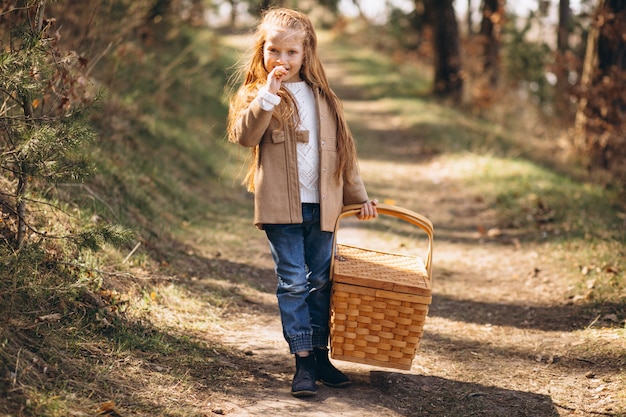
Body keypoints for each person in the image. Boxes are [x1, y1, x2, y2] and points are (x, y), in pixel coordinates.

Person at [226, 7, 378, 398]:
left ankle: (322, 354)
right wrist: (267, 97)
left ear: (306, 53)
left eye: (292, 53)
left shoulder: (323, 98)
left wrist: (359, 198)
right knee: (293, 282)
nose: (283, 60)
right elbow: (244, 136)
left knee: (322, 281)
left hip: (322, 207)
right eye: (274, 51)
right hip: (281, 208)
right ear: (263, 51)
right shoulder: (257, 96)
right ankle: (303, 361)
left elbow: (345, 155)